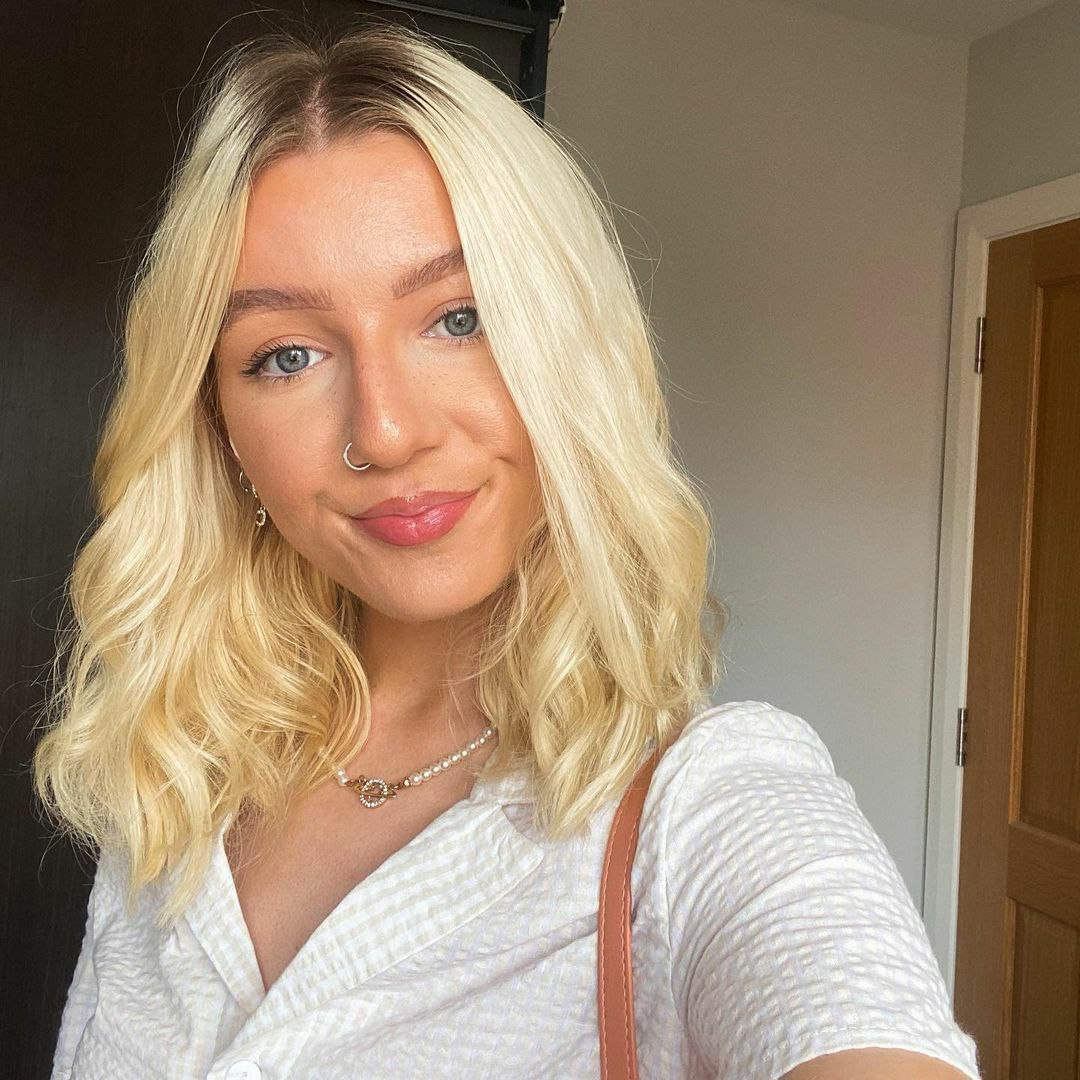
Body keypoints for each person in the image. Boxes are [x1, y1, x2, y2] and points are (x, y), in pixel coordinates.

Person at [32, 20, 981, 1080]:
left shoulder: (705, 810)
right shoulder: (175, 780)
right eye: (287, 355)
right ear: (218, 426)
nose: (387, 431)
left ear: (569, 351)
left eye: (461, 318)